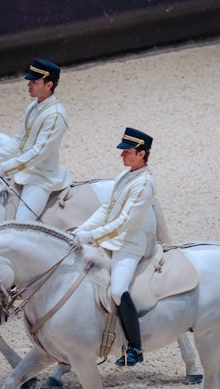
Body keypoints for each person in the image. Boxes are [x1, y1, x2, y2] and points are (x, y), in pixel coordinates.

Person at [72, 127, 158, 367]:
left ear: (141, 154)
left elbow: (124, 223)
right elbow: (106, 210)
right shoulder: (124, 175)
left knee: (117, 291)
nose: (122, 156)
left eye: (127, 152)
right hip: (108, 240)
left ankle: (135, 348)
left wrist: (92, 236)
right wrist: (82, 229)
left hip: (128, 246)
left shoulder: (144, 184)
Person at [0, 58, 72, 220]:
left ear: (49, 85)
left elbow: (37, 154)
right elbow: (18, 141)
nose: (29, 85)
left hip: (41, 178)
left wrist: (2, 168)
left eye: (34, 82)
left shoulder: (55, 115)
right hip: (23, 171)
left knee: (20, 225)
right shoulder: (33, 107)